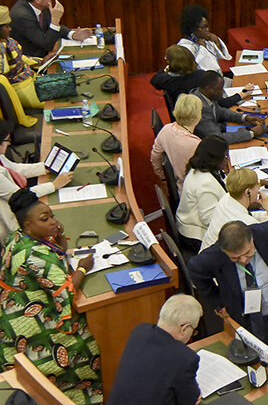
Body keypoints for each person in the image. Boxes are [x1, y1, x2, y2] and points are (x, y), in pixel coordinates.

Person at [0, 188, 101, 404]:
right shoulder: (36, 255)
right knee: (90, 340)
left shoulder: (17, 236)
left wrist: (59, 240)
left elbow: (57, 261)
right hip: (28, 328)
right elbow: (67, 292)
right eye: (45, 219)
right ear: (28, 225)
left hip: (10, 314)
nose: (53, 221)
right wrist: (83, 268)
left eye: (52, 215)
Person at [189, 218, 268, 345]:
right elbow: (195, 270)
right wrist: (218, 302)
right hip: (250, 317)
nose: (244, 260)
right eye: (235, 258)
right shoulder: (215, 255)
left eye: (247, 253)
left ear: (251, 239)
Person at [108, 294, 203, 405]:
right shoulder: (185, 358)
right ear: (185, 328)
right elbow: (190, 400)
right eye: (194, 330)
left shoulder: (140, 331)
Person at [0, 121, 72, 244]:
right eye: (7, 140)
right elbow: (19, 196)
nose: (9, 144)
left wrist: (44, 168)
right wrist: (54, 185)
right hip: (13, 223)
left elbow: (15, 169)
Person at [199, 167, 268, 252]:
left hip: (206, 253)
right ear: (248, 192)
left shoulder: (227, 198)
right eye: (257, 186)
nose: (259, 188)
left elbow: (248, 215)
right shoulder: (246, 225)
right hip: (221, 262)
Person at [9, 0, 91, 58]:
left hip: (45, 53)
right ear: (37, 0)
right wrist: (55, 20)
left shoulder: (39, 6)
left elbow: (51, 28)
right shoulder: (22, 16)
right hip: (32, 60)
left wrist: (73, 35)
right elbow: (46, 44)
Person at [175, 135, 228, 253]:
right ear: (215, 158)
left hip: (192, 226)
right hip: (196, 236)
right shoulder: (205, 183)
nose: (227, 160)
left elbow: (222, 185)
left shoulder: (198, 168)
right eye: (225, 156)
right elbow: (210, 220)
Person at [191, 71, 264, 144]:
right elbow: (218, 138)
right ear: (208, 89)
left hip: (216, 130)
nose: (222, 92)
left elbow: (220, 111)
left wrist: (245, 117)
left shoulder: (204, 94)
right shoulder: (200, 109)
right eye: (219, 89)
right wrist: (252, 133)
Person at [150, 93, 202, 195]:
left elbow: (155, 157)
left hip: (180, 186)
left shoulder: (166, 129)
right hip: (191, 193)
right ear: (197, 116)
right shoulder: (196, 144)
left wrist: (163, 178)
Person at [0, 6, 44, 109]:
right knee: (54, 101)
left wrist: (40, 61)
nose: (10, 29)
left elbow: (19, 57)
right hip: (18, 88)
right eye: (6, 26)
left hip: (29, 76)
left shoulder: (7, 39)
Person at [177, 4, 232, 75]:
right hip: (202, 84)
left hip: (217, 80)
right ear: (192, 29)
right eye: (203, 27)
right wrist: (202, 48)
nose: (207, 30)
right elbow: (197, 68)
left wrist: (217, 42)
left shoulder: (205, 40)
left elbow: (224, 57)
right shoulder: (184, 47)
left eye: (207, 26)